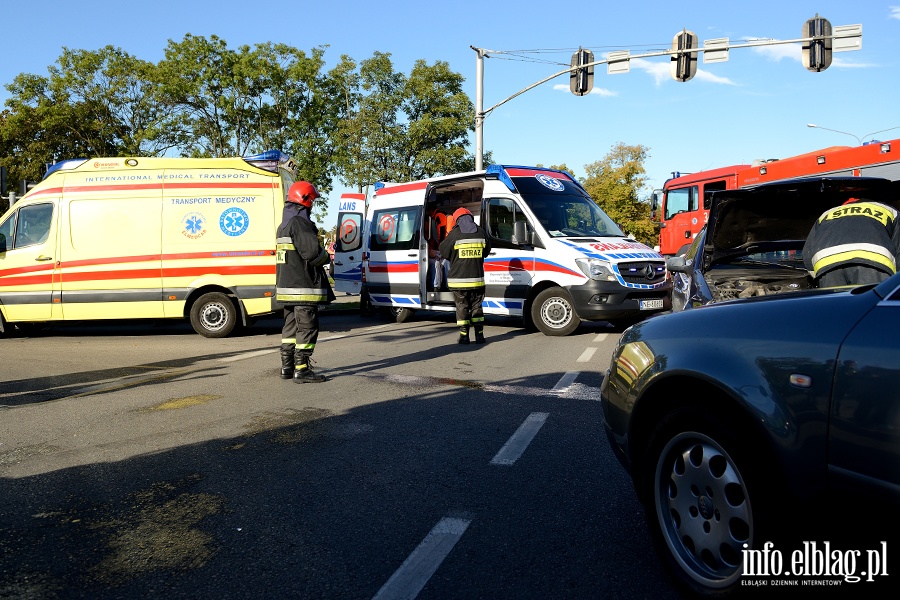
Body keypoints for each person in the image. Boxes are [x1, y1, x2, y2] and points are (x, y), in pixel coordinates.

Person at [276, 180, 335, 383]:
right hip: (303, 288)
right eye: (312, 200)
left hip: (287, 290)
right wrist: (326, 257)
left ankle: (287, 367)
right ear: (306, 200)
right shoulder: (300, 223)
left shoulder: (283, 225)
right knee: (307, 328)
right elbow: (311, 253)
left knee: (290, 329)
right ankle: (302, 370)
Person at [802, 196, 899, 288]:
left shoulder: (826, 214)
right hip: (873, 261)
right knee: (872, 303)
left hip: (827, 265)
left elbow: (807, 254)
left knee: (836, 304)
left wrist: (818, 275)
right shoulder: (890, 211)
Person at [439, 207, 491, 344]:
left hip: (459, 281)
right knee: (477, 307)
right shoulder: (481, 232)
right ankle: (479, 335)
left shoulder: (454, 234)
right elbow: (487, 251)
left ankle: (464, 336)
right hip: (477, 280)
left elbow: (443, 252)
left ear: (457, 220)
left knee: (462, 307)